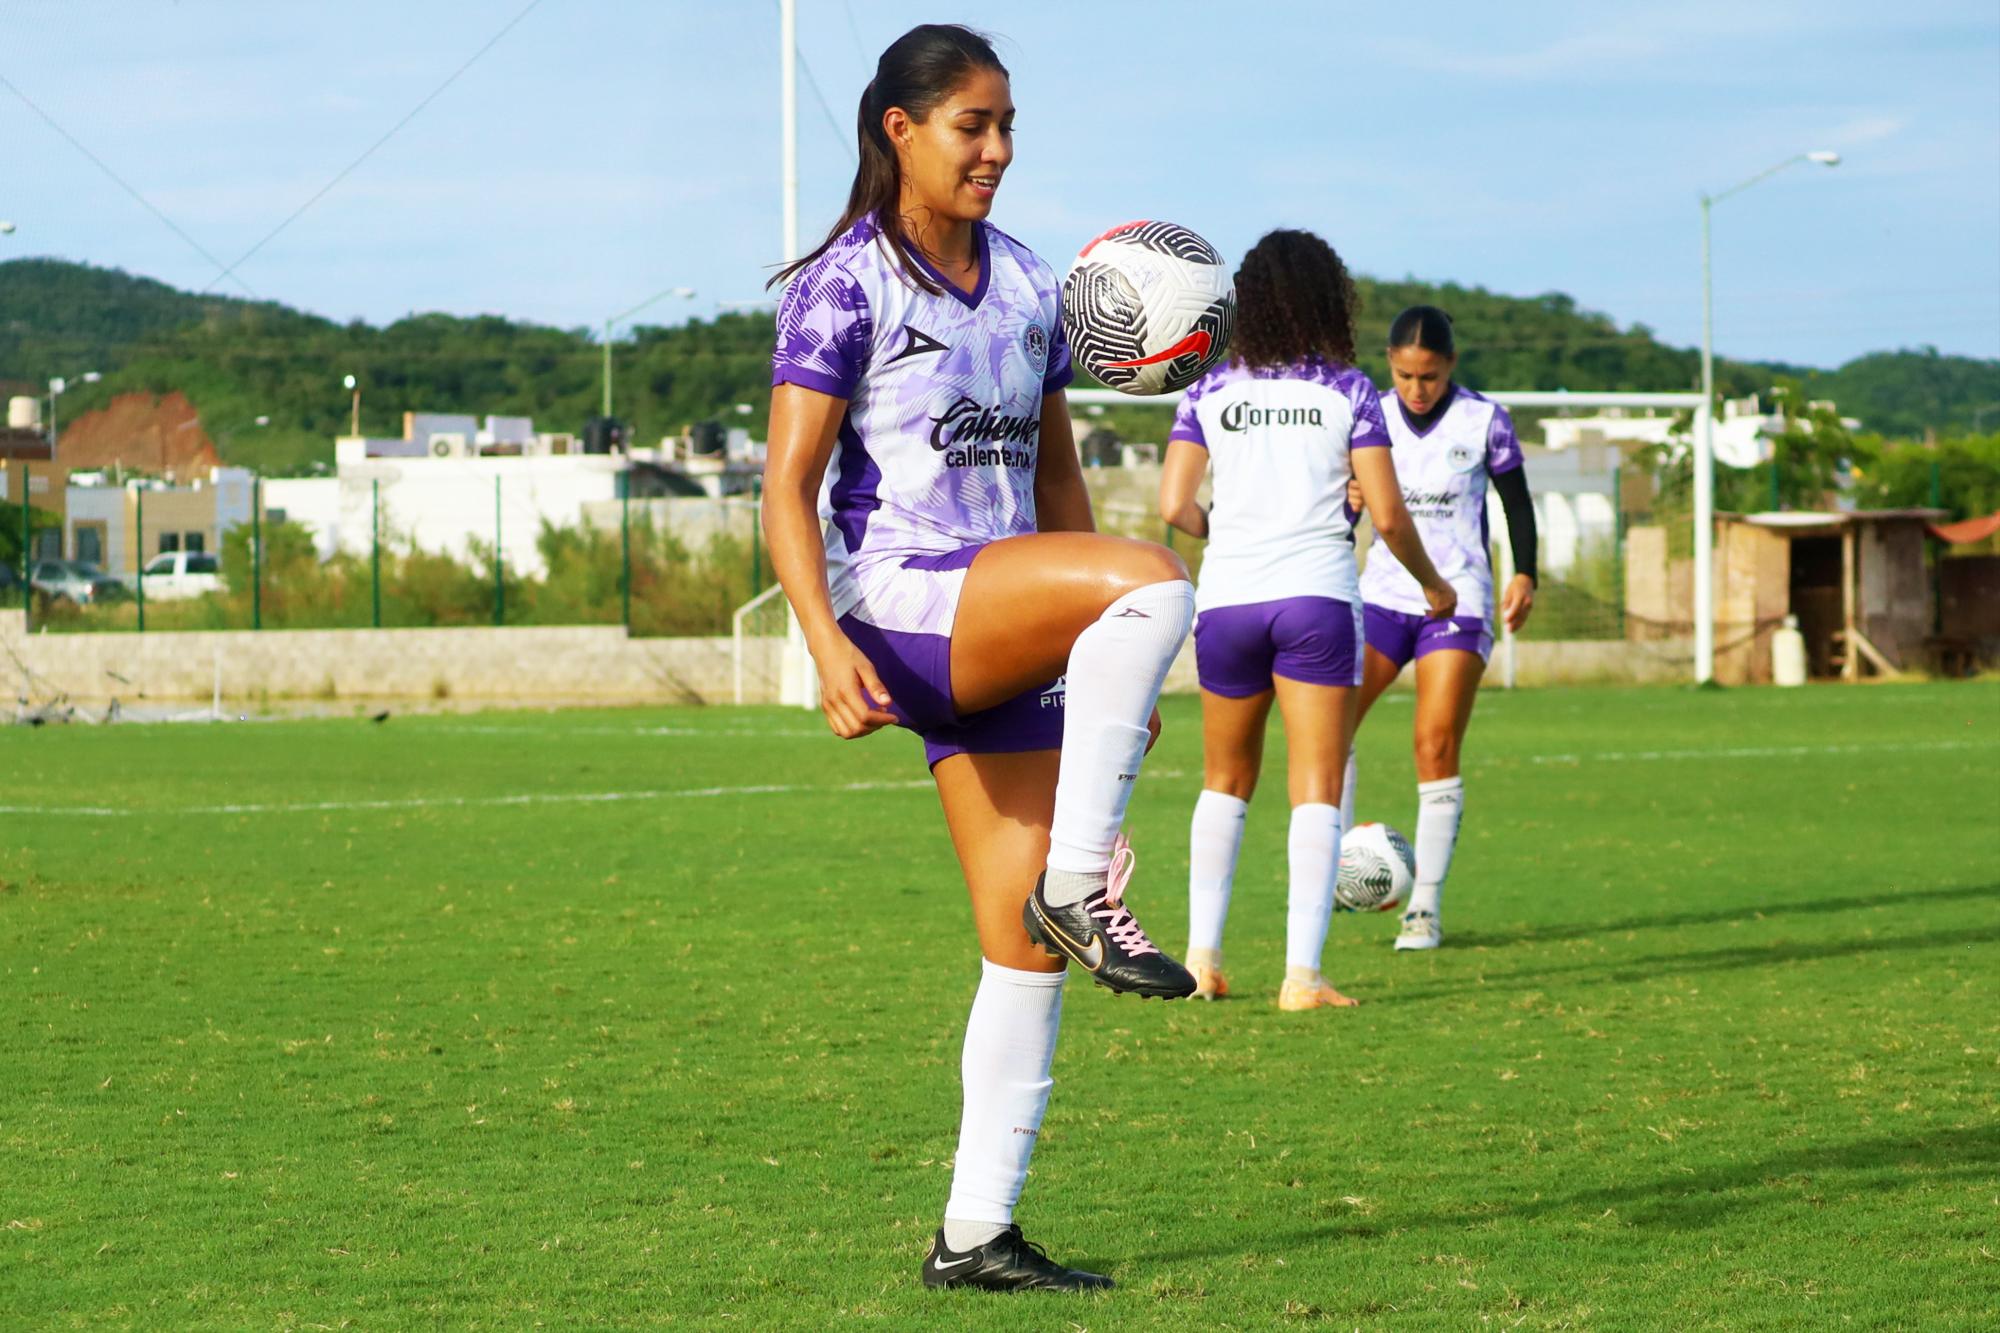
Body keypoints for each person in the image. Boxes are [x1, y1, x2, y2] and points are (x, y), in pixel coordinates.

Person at [762, 24, 1196, 1295]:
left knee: (1018, 947)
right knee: (1159, 574)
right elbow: (785, 488)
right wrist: (818, 638)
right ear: (899, 129)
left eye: (1009, 127)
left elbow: (1054, 469)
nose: (997, 150)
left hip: (999, 615)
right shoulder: (844, 283)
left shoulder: (1021, 281)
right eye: (973, 126)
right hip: (899, 598)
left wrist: (1101, 651)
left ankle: (975, 1234)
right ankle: (1082, 879)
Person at [1159, 230, 1456, 1011]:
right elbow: (1386, 514)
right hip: (1316, 598)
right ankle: (1301, 976)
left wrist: (1221, 527)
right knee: (1316, 785)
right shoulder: (1352, 392)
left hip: (1226, 600)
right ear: (1332, 300)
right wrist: (1434, 585)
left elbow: (1172, 506)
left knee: (1223, 782)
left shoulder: (1207, 391)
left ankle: (1201, 962)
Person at [1348, 305, 1538, 952]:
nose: (1415, 388)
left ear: (1450, 367)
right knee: (1330, 724)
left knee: (1433, 742)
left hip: (1457, 599)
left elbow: (1516, 503)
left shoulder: (1485, 420)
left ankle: (1422, 908)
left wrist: (1526, 573)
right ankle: (1339, 866)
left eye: (1428, 376)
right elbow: (1347, 509)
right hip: (1382, 596)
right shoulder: (1368, 414)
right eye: (1404, 375)